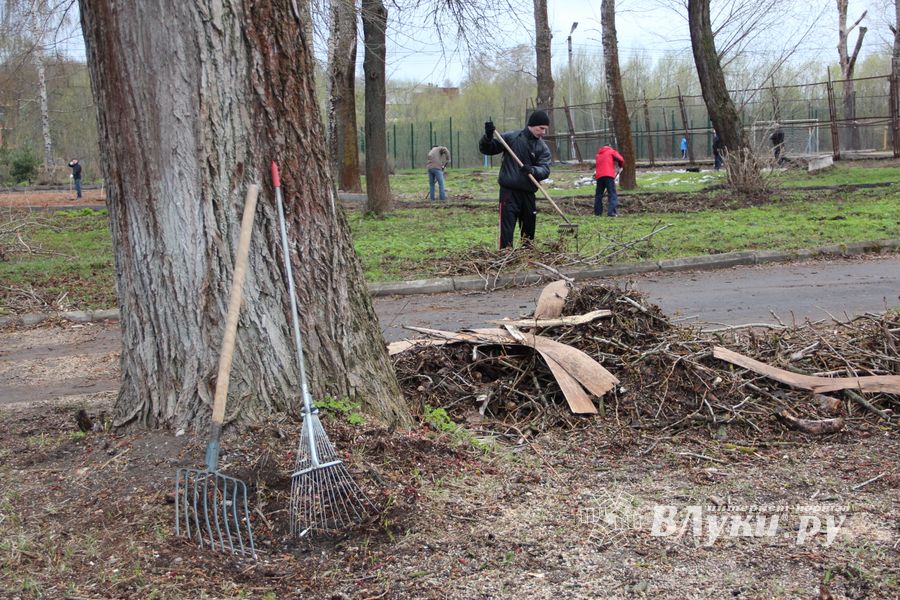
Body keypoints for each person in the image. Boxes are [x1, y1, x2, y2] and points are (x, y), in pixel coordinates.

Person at [479, 110, 551, 249]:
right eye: (541, 128)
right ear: (531, 125)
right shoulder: (512, 137)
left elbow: (545, 169)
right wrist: (488, 136)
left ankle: (527, 255)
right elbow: (488, 149)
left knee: (529, 229)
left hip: (528, 193)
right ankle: (505, 255)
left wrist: (533, 170)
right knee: (507, 228)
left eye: (545, 129)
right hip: (509, 192)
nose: (543, 132)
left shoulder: (542, 147)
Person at [593, 145, 624, 217]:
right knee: (612, 194)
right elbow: (621, 159)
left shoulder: (598, 154)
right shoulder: (611, 151)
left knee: (598, 195)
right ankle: (612, 212)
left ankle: (598, 213)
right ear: (609, 147)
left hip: (599, 176)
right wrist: (620, 166)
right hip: (609, 176)